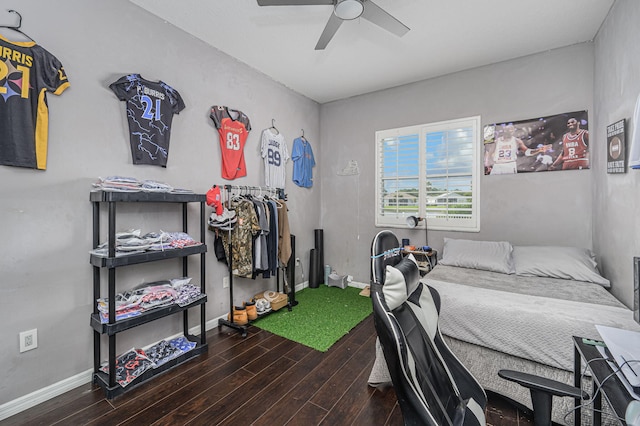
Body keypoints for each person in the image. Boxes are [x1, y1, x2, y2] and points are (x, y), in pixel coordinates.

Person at [484, 124, 550, 174]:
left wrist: (538, 150)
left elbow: (527, 152)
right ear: (505, 130)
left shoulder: (517, 141)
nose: (511, 131)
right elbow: (489, 154)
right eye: (509, 130)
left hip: (510, 165)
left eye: (512, 129)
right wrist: (488, 165)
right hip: (498, 165)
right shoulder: (497, 141)